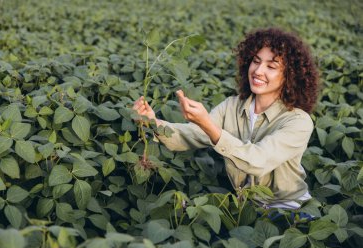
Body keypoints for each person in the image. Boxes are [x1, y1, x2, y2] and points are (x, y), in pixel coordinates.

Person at [133, 27, 319, 210]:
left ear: (290, 76)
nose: (258, 71)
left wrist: (208, 124)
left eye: (271, 66)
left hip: (290, 209)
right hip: (247, 206)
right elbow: (190, 135)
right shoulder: (232, 106)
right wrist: (152, 121)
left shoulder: (298, 121)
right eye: (256, 61)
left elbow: (258, 161)